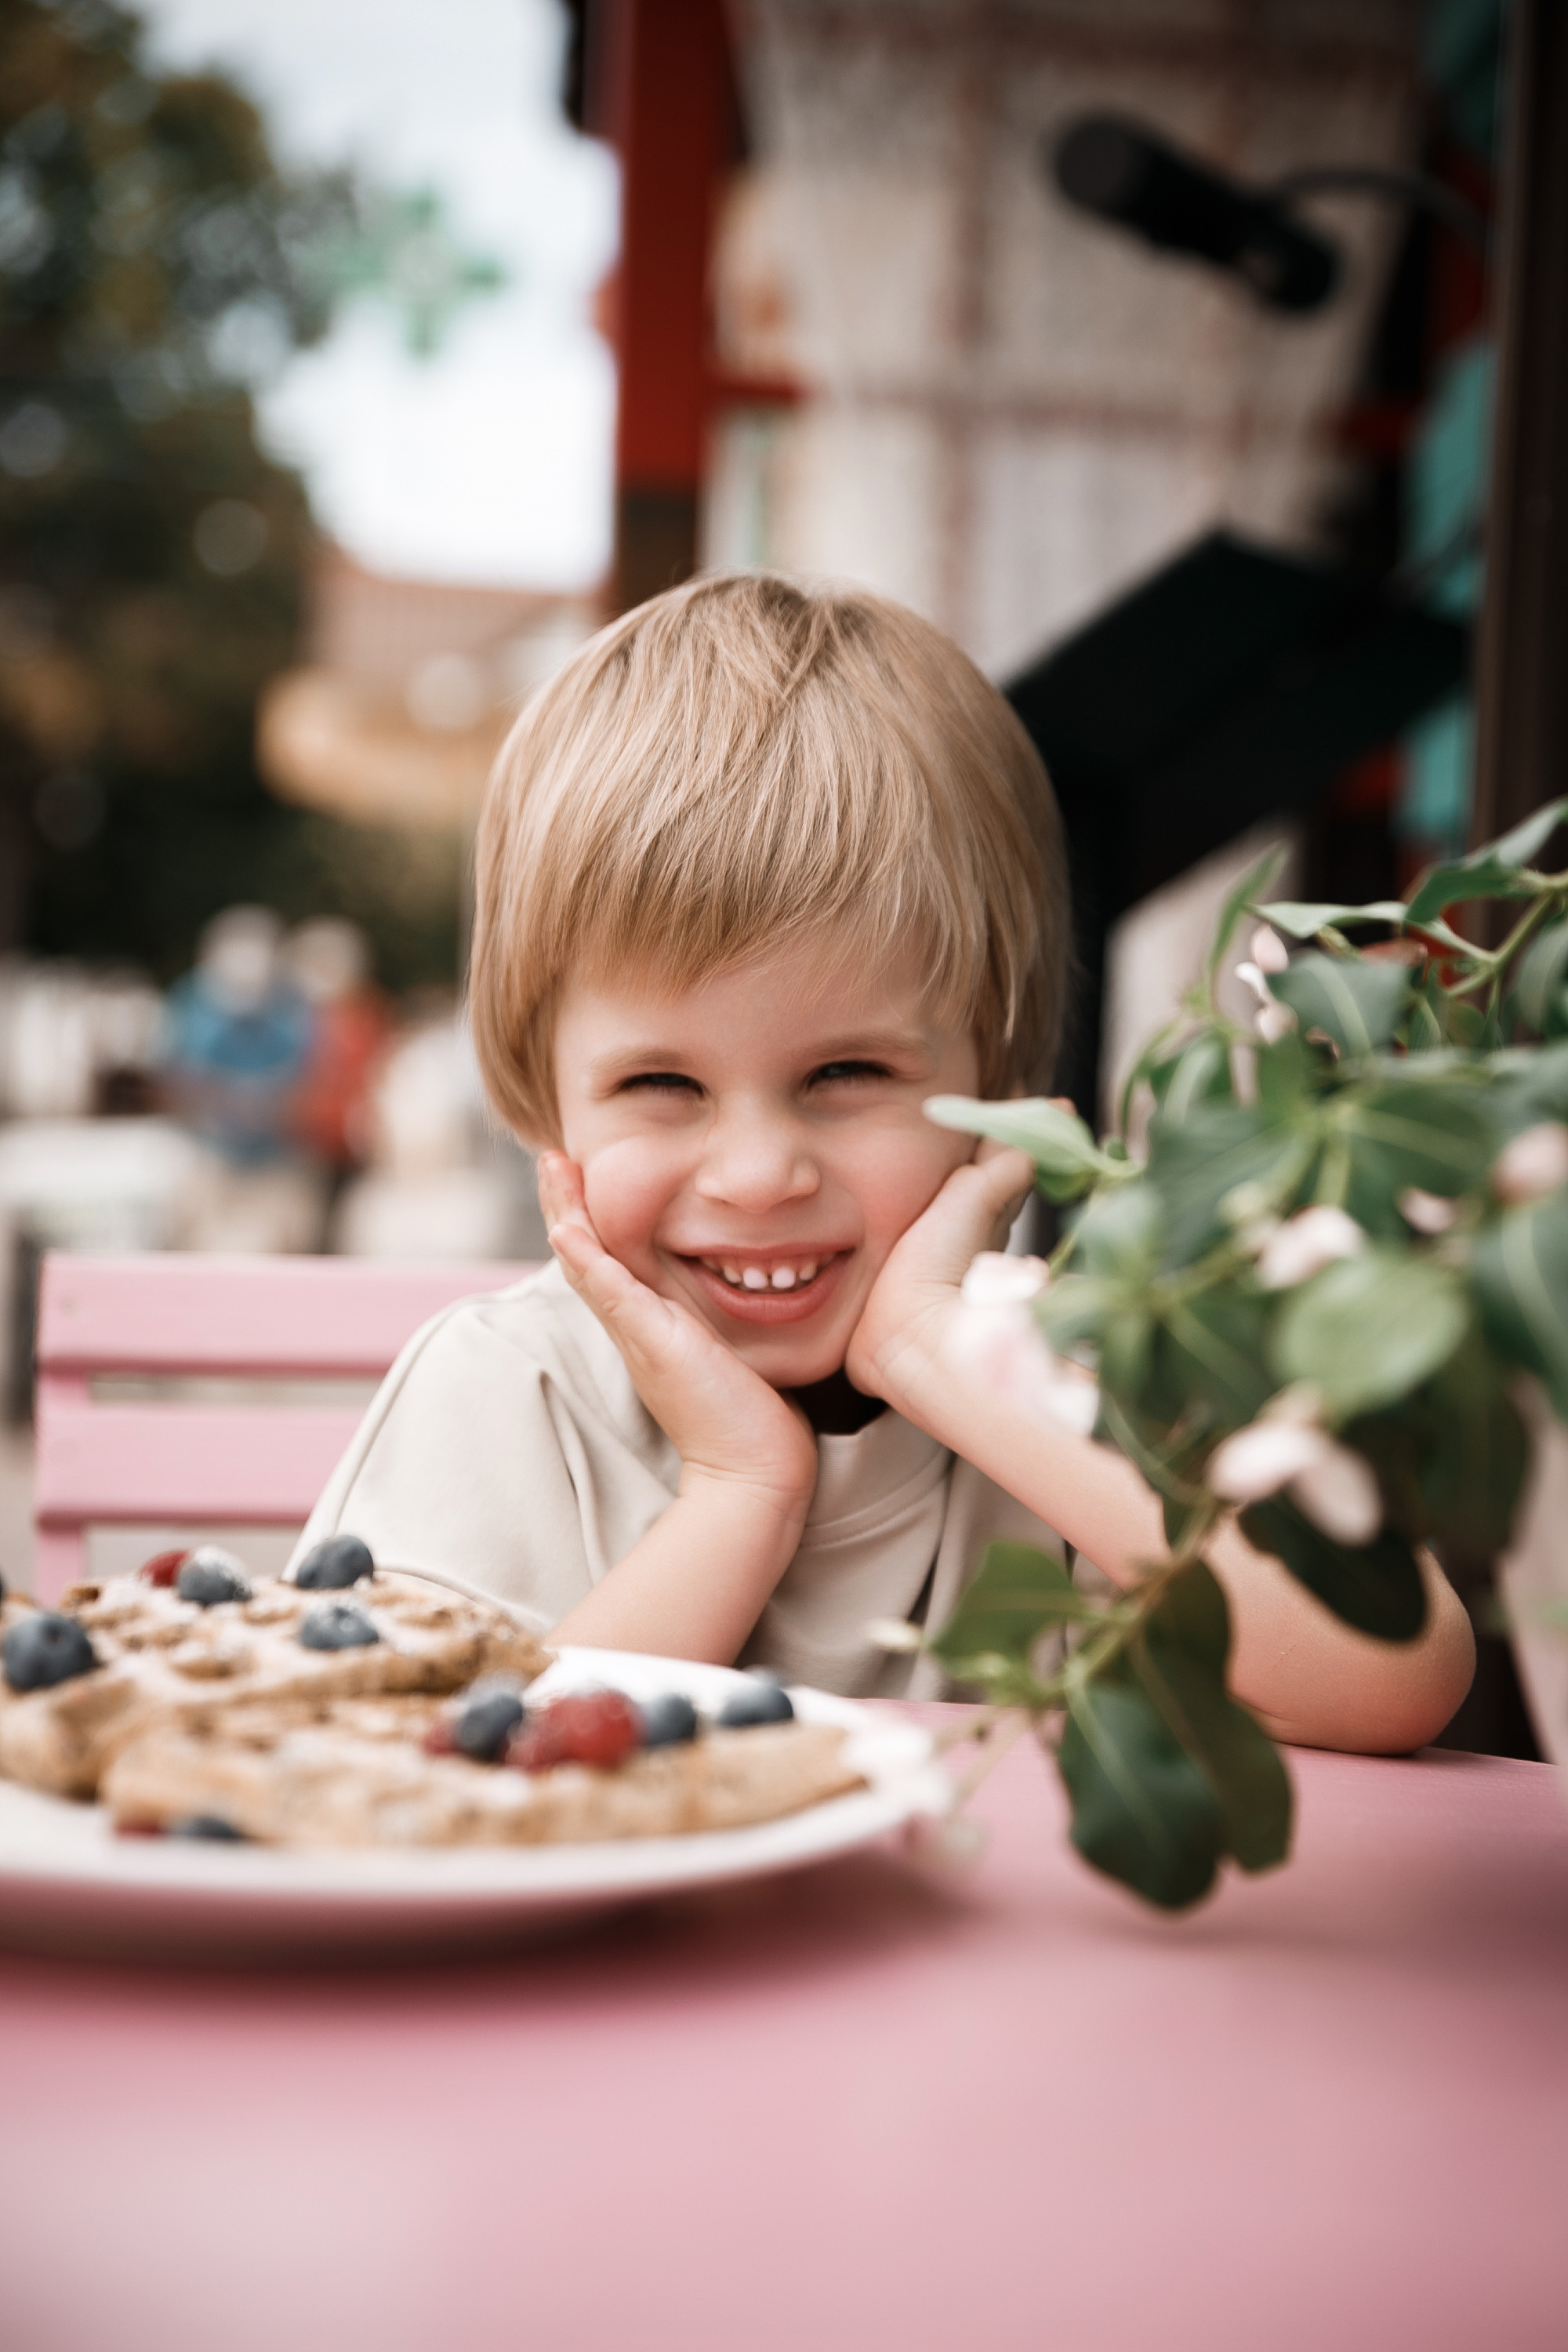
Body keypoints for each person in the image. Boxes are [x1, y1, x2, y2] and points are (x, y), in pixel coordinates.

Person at [294, 574, 1473, 1749]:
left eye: (846, 1075)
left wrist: (935, 1355)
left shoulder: (1073, 1366)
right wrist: (742, 1495)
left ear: (995, 1075)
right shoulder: (503, 1394)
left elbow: (1390, 1673)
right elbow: (409, 1794)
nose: (757, 1176)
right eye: (663, 1086)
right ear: (541, 1091)